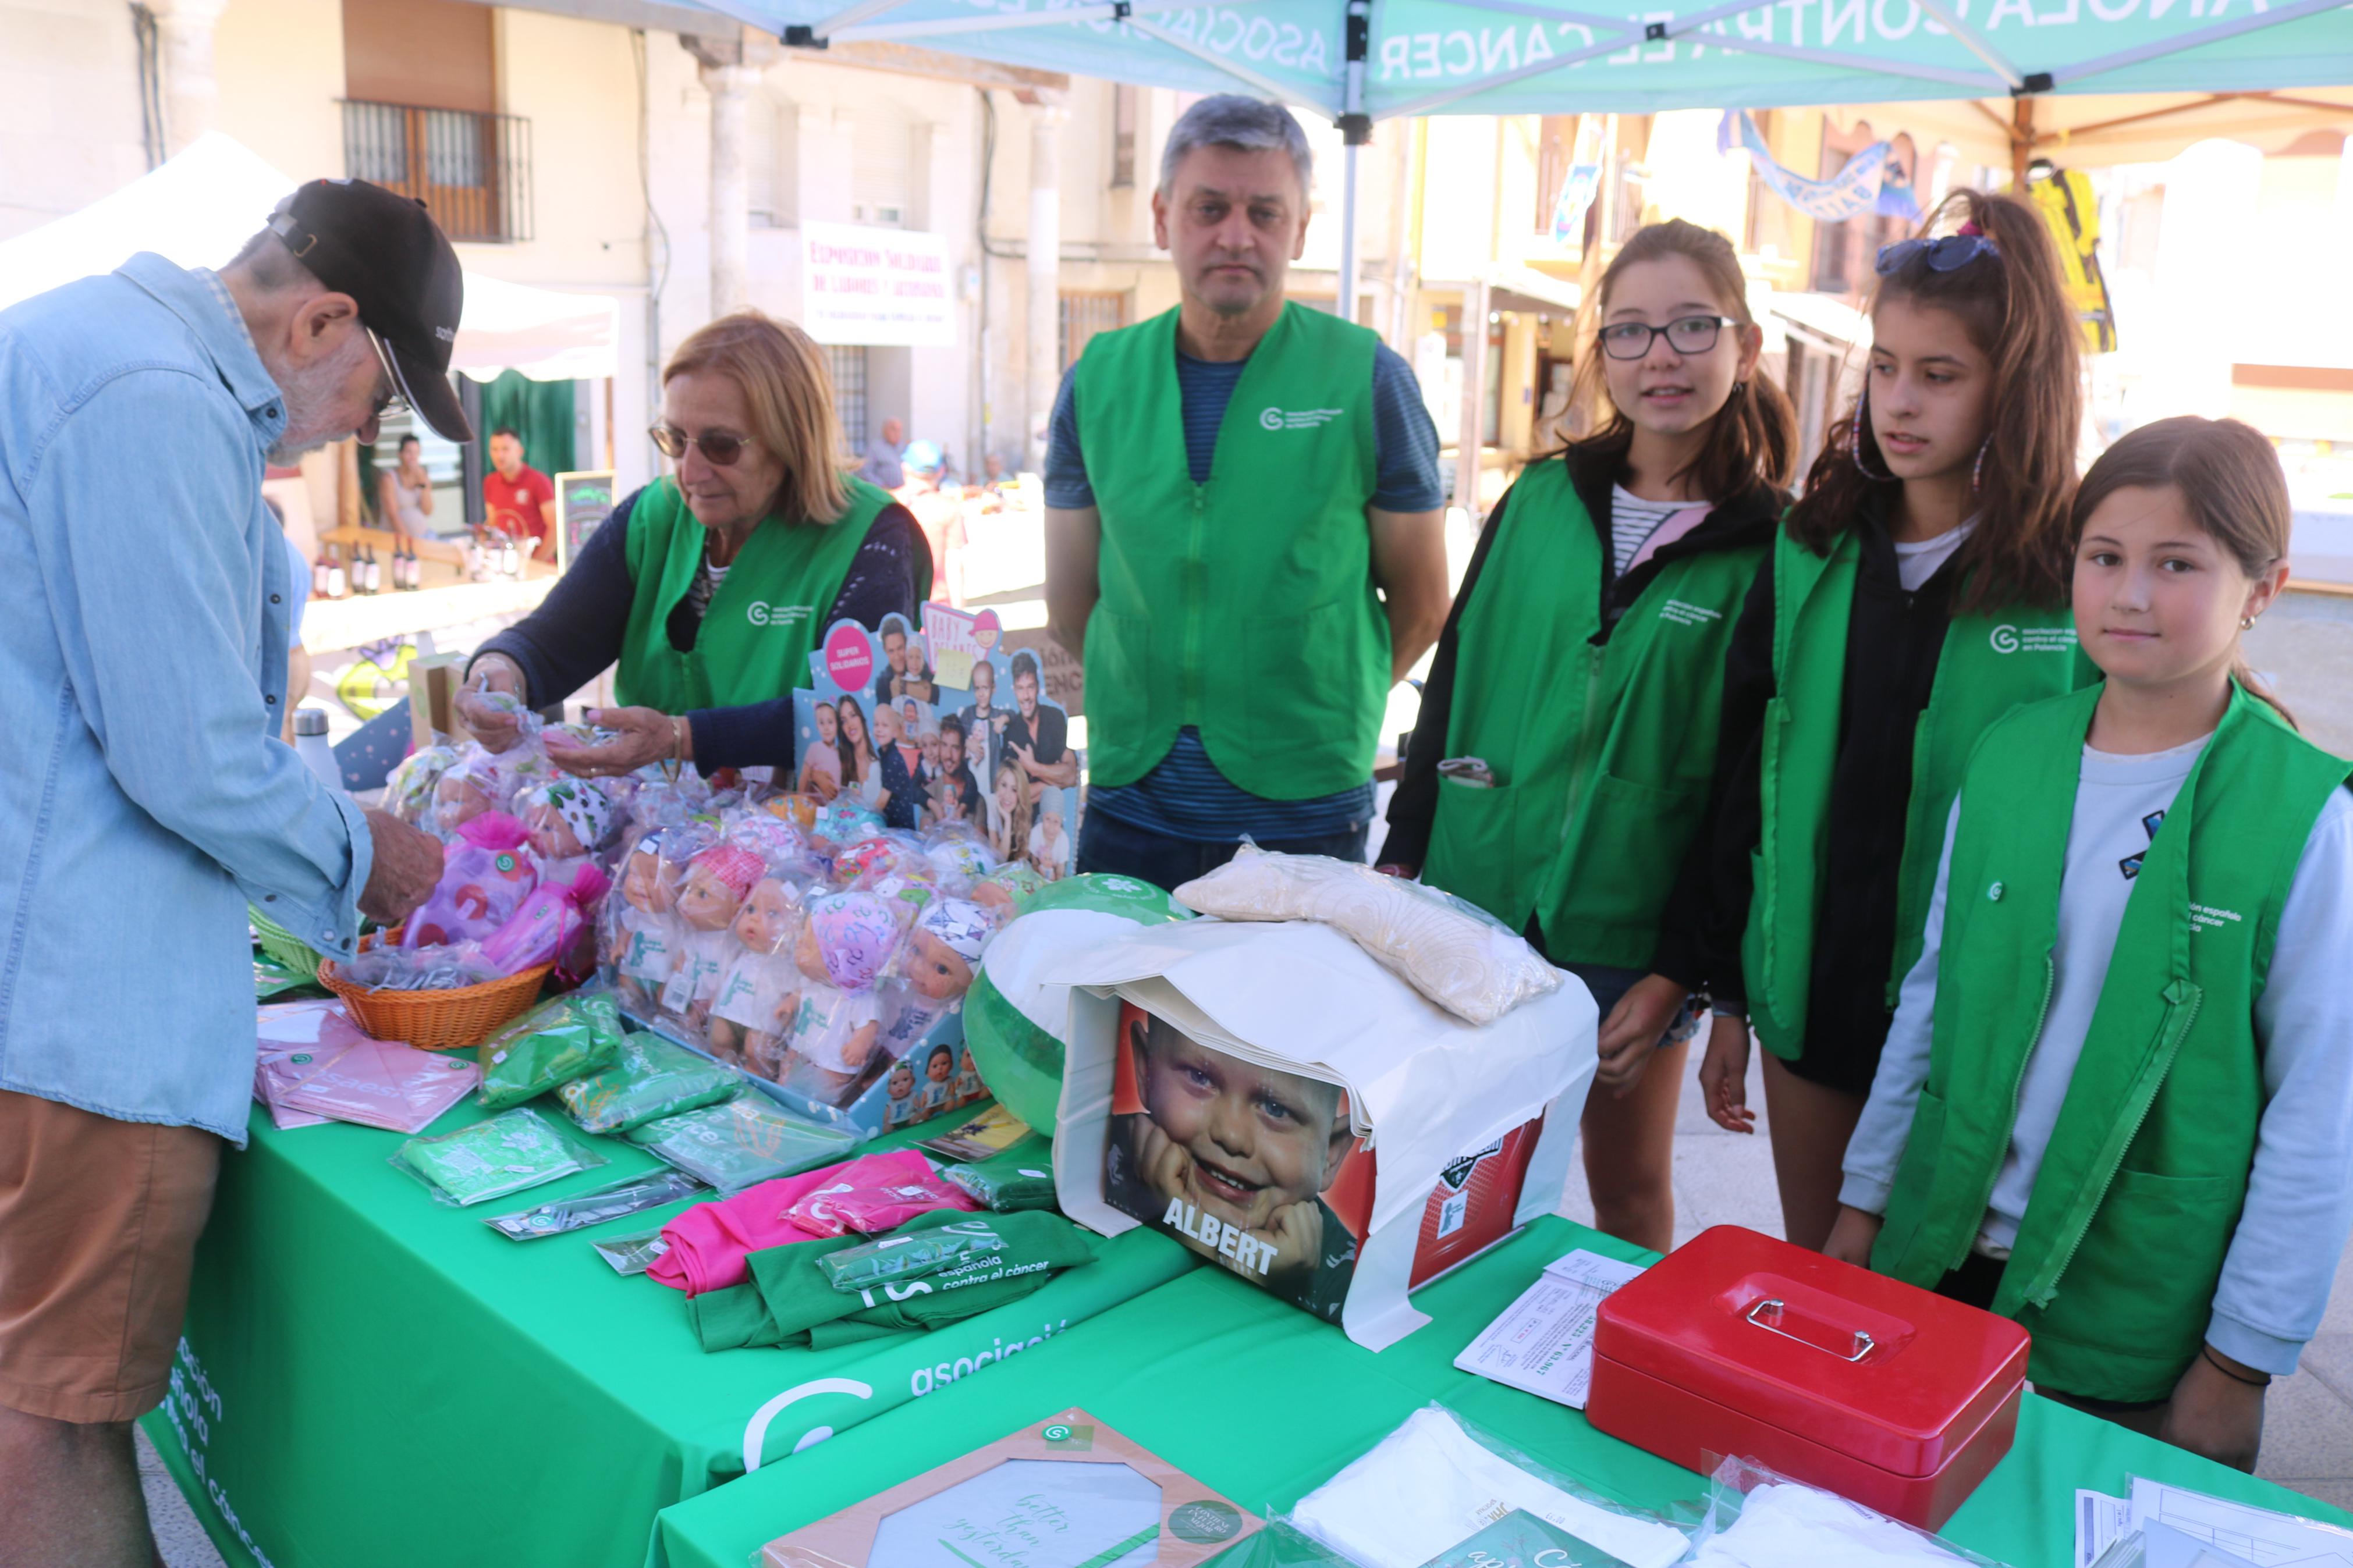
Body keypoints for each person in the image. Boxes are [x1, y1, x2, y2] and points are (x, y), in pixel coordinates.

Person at [0, 178, 450, 1568]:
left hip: (48, 968)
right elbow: (185, 750)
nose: (356, 433)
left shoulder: (70, 339)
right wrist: (361, 851)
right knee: (60, 1420)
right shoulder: (156, 397)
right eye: (375, 396)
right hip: (89, 1007)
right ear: (321, 319)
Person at [1826, 418, 2353, 1471]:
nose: (2128, 595)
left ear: (2261, 587)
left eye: (2176, 565)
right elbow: (1930, 998)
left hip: (2133, 1306)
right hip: (1936, 1260)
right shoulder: (2012, 752)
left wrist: (2238, 1363)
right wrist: (1858, 1209)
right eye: (2103, 558)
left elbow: (2318, 1110)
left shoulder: (2305, 818)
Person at [1673, 190, 2093, 1251]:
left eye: (1939, 375)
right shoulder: (1808, 548)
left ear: (2015, 389)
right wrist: (1726, 992)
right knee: (1823, 1286)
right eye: (1884, 366)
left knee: (1940, 1322)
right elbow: (1741, 779)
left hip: (1984, 1033)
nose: (1899, 402)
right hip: (1808, 1003)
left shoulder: (2071, 584)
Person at [1378, 221, 1798, 1254]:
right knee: (1448, 1164)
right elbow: (1453, 683)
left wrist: (1680, 972)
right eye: (1631, 331)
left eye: (1692, 328)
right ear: (1600, 353)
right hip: (1471, 896)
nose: (1661, 356)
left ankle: (1609, 1359)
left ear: (1743, 348)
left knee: (1626, 1189)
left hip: (1630, 933)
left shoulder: (1777, 548)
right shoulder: (1536, 502)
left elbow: (1753, 785)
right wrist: (1399, 855)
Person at [1044, 95, 1450, 891]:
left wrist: (1333, 699)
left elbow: (1423, 601)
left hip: (1304, 812)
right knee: (1121, 1013)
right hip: (1132, 803)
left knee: (1285, 1017)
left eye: (1264, 211)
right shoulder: (1097, 381)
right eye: (1209, 208)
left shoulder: (1367, 379)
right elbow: (1069, 606)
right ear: (1163, 218)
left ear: (1299, 229)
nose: (1236, 234)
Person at [456, 312, 930, 778]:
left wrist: (684, 737)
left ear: (792, 442)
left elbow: (857, 712)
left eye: (722, 446)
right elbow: (559, 637)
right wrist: (501, 668)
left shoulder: (870, 537)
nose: (689, 472)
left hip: (811, 837)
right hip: (659, 836)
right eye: (676, 440)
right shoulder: (652, 518)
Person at [1107, 1010, 1358, 1320]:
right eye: (1200, 1078)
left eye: (1276, 1109)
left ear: (1330, 1154)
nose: (1231, 1135)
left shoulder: (1354, 1284)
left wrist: (1254, 1273)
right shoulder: (1091, 1161)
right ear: (1146, 1069)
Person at [1002, 650, 1077, 797]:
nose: (1026, 697)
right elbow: (1013, 795)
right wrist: (1055, 778)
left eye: (1030, 687)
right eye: (1020, 689)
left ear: (1038, 687)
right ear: (1014, 691)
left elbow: (1070, 776)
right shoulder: (1010, 732)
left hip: (1057, 814)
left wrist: (1033, 767)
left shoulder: (1055, 717)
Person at [482, 425, 556, 557]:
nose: (500, 455)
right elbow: (493, 522)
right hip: (505, 563)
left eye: (506, 449)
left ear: (520, 451)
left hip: (536, 564)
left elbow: (556, 526)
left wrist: (538, 562)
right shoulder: (490, 482)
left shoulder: (538, 481)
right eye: (495, 449)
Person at [873, 701, 927, 831]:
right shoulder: (885, 753)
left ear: (896, 732)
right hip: (891, 822)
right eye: (876, 725)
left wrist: (865, 818)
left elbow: (882, 802)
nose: (879, 729)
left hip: (900, 828)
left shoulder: (894, 760)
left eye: (885, 725)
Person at [379, 431, 433, 557]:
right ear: (400, 454)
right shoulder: (389, 479)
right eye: (409, 452)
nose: (413, 457)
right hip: (397, 542)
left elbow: (428, 511)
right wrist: (409, 544)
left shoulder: (422, 476)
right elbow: (393, 515)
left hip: (421, 539)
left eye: (416, 453)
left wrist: (423, 485)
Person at [874, 614, 936, 707]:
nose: (897, 656)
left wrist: (903, 687)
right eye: (891, 651)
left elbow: (936, 695)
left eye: (900, 648)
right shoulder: (883, 681)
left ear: (907, 643)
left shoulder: (920, 665)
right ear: (885, 650)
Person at [837, 695, 882, 808]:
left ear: (862, 719)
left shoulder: (879, 766)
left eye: (853, 715)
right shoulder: (841, 763)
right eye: (843, 721)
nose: (850, 725)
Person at [797, 700, 846, 801]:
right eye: (822, 723)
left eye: (830, 722)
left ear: (837, 725)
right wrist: (800, 799)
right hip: (816, 800)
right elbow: (805, 775)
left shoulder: (840, 753)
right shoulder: (815, 748)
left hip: (834, 803)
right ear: (817, 726)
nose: (826, 728)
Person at [858, 416, 906, 490]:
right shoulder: (875, 448)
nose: (897, 433)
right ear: (885, 430)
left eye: (899, 430)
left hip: (904, 492)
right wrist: (881, 485)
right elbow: (865, 471)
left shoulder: (903, 447)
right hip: (884, 493)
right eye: (893, 429)